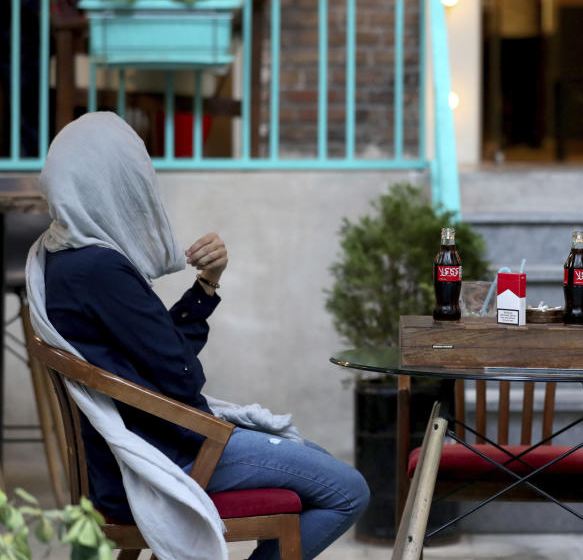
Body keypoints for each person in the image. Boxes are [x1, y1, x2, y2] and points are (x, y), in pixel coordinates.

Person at [26, 112, 369, 560]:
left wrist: (207, 285)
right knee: (349, 490)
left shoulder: (60, 257)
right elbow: (183, 378)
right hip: (169, 457)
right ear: (112, 184)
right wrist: (203, 294)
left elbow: (165, 359)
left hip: (129, 455)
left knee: (313, 460)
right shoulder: (99, 268)